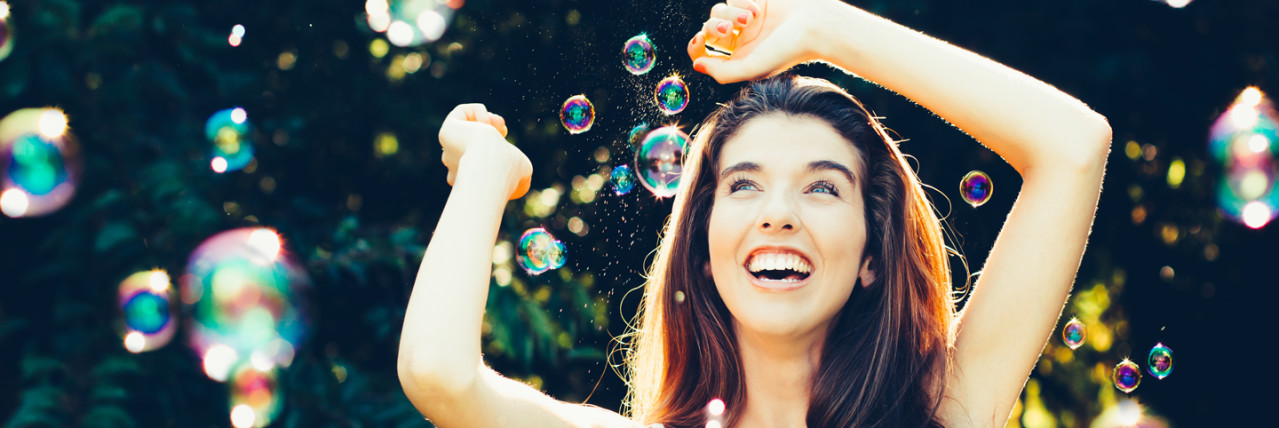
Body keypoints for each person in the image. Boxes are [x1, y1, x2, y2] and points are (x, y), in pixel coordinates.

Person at [397, 0, 1111, 427]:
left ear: (871, 255)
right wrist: (487, 173)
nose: (777, 213)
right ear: (702, 248)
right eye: (742, 186)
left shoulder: (945, 411)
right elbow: (440, 375)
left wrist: (821, 25)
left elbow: (1072, 146)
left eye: (822, 188)